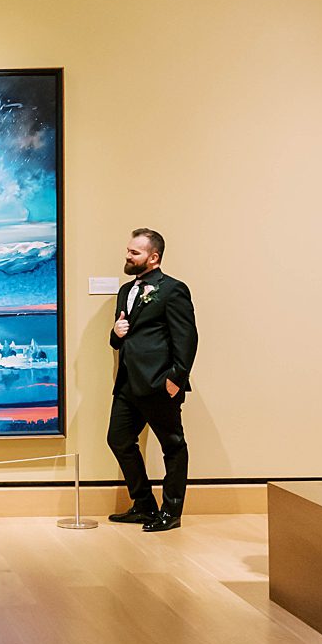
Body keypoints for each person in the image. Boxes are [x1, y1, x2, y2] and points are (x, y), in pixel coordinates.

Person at [107, 228, 198, 532]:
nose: (127, 256)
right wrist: (115, 335)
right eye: (128, 250)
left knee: (172, 446)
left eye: (134, 252)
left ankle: (171, 513)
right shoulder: (124, 291)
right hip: (128, 384)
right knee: (118, 440)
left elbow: (187, 338)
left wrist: (175, 379)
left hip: (160, 384)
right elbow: (122, 336)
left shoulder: (173, 289)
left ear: (153, 257)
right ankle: (144, 506)